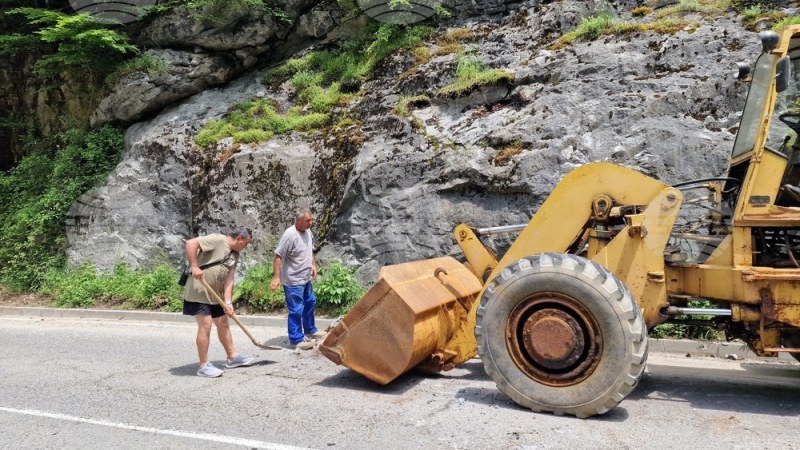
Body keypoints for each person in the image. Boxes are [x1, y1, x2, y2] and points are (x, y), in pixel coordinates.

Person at [183, 227, 256, 377]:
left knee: (223, 322)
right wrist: (194, 266)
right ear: (239, 239)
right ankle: (203, 366)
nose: (246, 247)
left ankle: (232, 358)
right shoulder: (218, 240)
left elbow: (229, 279)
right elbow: (191, 243)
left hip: (216, 294)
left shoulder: (235, 255)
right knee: (206, 324)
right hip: (199, 290)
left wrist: (228, 302)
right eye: (246, 243)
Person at [270, 207, 325, 350]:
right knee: (296, 309)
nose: (311, 223)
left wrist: (313, 265)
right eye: (308, 220)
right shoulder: (290, 235)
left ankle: (310, 330)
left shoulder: (307, 232)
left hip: (305, 277)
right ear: (299, 220)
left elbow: (309, 250)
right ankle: (295, 339)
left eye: (311, 220)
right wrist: (276, 278)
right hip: (293, 280)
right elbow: (277, 257)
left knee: (310, 302)